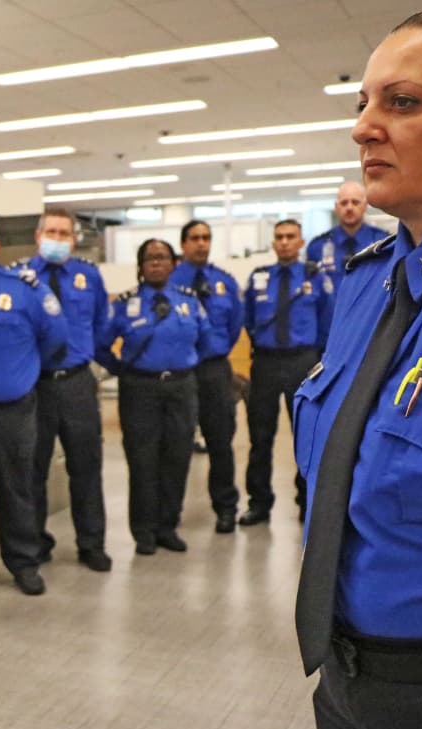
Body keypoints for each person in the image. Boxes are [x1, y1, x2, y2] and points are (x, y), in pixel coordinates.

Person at [294, 5, 422, 729]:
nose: (363, 128)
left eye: (402, 102)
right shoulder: (371, 282)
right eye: (363, 103)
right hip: (350, 683)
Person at [0, 215, 69, 596]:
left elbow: (55, 338)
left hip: (9, 410)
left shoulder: (22, 288)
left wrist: (22, 371)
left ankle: (23, 563)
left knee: (15, 492)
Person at [100, 239, 212, 555]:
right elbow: (101, 343)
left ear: (173, 263)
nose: (156, 263)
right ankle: (144, 532)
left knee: (177, 457)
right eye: (149, 258)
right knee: (142, 460)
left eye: (162, 257)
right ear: (140, 266)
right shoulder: (124, 304)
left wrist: (185, 366)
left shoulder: (189, 302)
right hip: (140, 390)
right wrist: (122, 370)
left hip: (181, 388)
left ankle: (168, 527)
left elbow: (207, 340)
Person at [22, 209, 114, 572]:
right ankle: (35, 543)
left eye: (64, 233)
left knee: (86, 467)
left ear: (74, 239)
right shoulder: (21, 277)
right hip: (36, 385)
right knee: (33, 470)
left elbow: (102, 325)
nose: (57, 239)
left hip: (77, 382)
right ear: (38, 235)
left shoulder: (88, 276)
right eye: (51, 232)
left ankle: (91, 544)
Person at [240, 220, 333, 526]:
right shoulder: (259, 278)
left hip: (302, 362)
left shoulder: (316, 277)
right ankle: (259, 502)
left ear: (301, 241)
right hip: (265, 363)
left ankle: (307, 500)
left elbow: (327, 322)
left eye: (290, 237)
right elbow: (249, 320)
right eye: (279, 237)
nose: (284, 242)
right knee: (260, 436)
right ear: (273, 243)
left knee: (305, 436)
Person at [170, 221, 244, 533]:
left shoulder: (224, 282)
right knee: (175, 445)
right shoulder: (168, 282)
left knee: (220, 442)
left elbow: (236, 324)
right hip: (180, 372)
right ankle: (168, 515)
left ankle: (226, 507)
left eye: (206, 238)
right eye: (195, 238)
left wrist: (216, 350)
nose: (202, 244)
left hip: (214, 370)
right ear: (183, 244)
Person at [305, 181, 391, 292]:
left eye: (355, 202)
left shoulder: (383, 243)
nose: (349, 207)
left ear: (365, 206)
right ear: (336, 207)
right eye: (344, 203)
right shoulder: (317, 246)